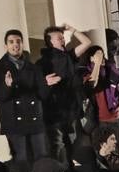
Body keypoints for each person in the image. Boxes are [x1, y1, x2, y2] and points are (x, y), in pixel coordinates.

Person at [0, 29, 47, 163]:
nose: (15, 45)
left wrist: (46, 84)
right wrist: (7, 86)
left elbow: (43, 95)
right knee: (21, 161)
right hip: (14, 122)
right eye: (11, 42)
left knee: (41, 160)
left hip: (35, 121)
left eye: (18, 41)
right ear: (6, 46)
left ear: (22, 44)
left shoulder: (34, 68)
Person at [37, 23, 92, 163]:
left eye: (63, 37)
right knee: (58, 145)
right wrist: (45, 82)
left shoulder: (68, 56)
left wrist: (72, 30)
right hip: (54, 111)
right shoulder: (42, 62)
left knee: (71, 144)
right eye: (58, 38)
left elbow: (87, 42)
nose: (62, 40)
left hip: (71, 108)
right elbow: (37, 85)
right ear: (49, 42)